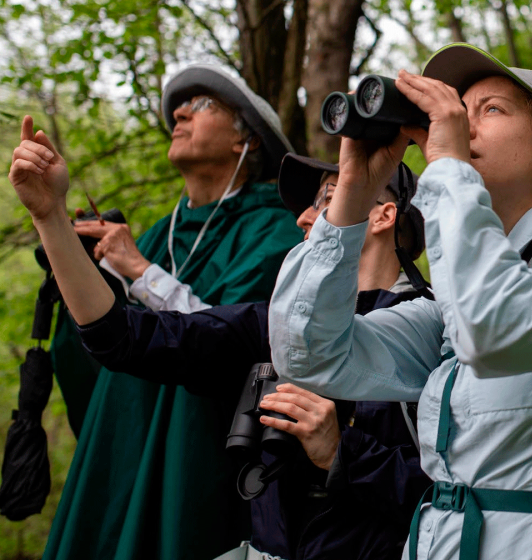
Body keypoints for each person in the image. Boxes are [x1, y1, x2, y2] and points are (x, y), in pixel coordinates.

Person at [267, 44, 532, 559]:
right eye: (457, 111)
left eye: (491, 109)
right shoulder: (447, 308)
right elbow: (308, 355)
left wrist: (449, 167)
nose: (459, 125)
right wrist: (352, 198)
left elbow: (494, 327)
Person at [9, 135, 434, 558]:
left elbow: (459, 498)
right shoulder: (275, 325)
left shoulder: (439, 332)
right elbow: (123, 337)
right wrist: (51, 218)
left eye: (327, 198)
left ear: (382, 215)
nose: (304, 218)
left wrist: (345, 453)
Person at [11, 64, 303, 560]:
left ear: (246, 142)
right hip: (121, 445)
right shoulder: (158, 233)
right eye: (179, 107)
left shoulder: (277, 232)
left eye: (204, 104)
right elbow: (104, 341)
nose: (181, 113)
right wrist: (53, 221)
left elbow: (233, 342)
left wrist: (141, 271)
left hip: (197, 456)